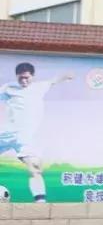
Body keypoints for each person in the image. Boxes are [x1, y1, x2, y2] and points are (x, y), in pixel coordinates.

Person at [0, 63, 72, 202]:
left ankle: (40, 203)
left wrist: (67, 75)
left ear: (32, 76)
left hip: (24, 139)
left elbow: (54, 80)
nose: (24, 81)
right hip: (5, 134)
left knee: (35, 169)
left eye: (27, 78)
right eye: (21, 78)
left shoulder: (40, 86)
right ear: (17, 76)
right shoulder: (9, 88)